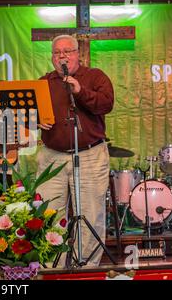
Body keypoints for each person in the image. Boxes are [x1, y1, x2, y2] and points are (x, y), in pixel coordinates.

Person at [36, 35, 114, 267]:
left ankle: (86, 267)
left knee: (90, 214)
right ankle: (53, 268)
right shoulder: (44, 82)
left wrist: (80, 91)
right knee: (49, 214)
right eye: (56, 52)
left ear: (78, 53)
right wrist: (36, 120)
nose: (62, 56)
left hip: (89, 154)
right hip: (52, 155)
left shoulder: (95, 76)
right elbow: (31, 114)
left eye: (67, 51)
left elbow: (106, 104)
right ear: (51, 57)